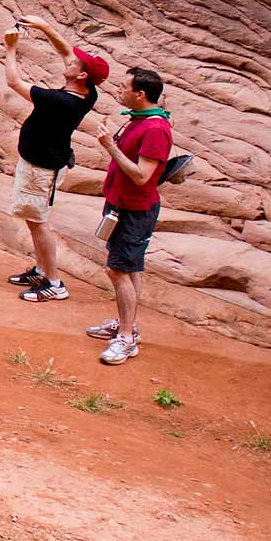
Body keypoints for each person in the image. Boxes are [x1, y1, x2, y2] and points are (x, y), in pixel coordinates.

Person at [0, 17, 108, 302]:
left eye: (76, 64)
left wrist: (10, 49)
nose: (69, 61)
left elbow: (13, 81)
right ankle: (42, 268)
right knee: (33, 219)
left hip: (41, 169)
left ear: (82, 75)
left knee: (38, 222)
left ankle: (54, 282)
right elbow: (67, 52)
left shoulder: (59, 101)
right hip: (42, 163)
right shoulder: (88, 93)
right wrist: (44, 28)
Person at [88, 69, 173, 365]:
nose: (119, 90)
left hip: (135, 211)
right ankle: (127, 324)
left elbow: (141, 176)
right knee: (130, 268)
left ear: (140, 94)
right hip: (120, 205)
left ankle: (126, 338)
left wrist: (109, 146)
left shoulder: (156, 130)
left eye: (124, 87)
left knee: (118, 270)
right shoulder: (137, 121)